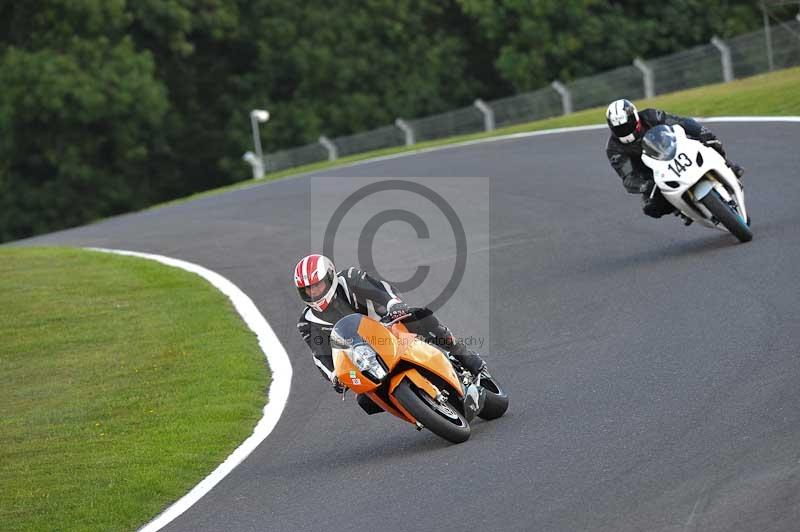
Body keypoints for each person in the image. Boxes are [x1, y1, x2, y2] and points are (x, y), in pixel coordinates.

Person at [293, 254, 485, 413]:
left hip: (387, 324)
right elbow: (320, 354)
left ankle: (460, 351)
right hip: (362, 355)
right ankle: (415, 409)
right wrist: (334, 375)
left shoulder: (348, 278)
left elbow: (378, 290)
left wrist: (393, 304)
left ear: (330, 277)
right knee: (365, 399)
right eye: (307, 289)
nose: (313, 292)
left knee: (420, 317)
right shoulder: (307, 321)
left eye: (317, 285)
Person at [605, 98, 744, 220]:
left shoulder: (649, 115)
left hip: (674, 149)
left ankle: (728, 164)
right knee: (652, 208)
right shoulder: (613, 149)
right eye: (619, 129)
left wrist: (702, 132)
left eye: (626, 126)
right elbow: (628, 178)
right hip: (653, 174)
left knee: (711, 142)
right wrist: (645, 185)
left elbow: (680, 121)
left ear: (635, 118)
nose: (624, 131)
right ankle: (681, 208)